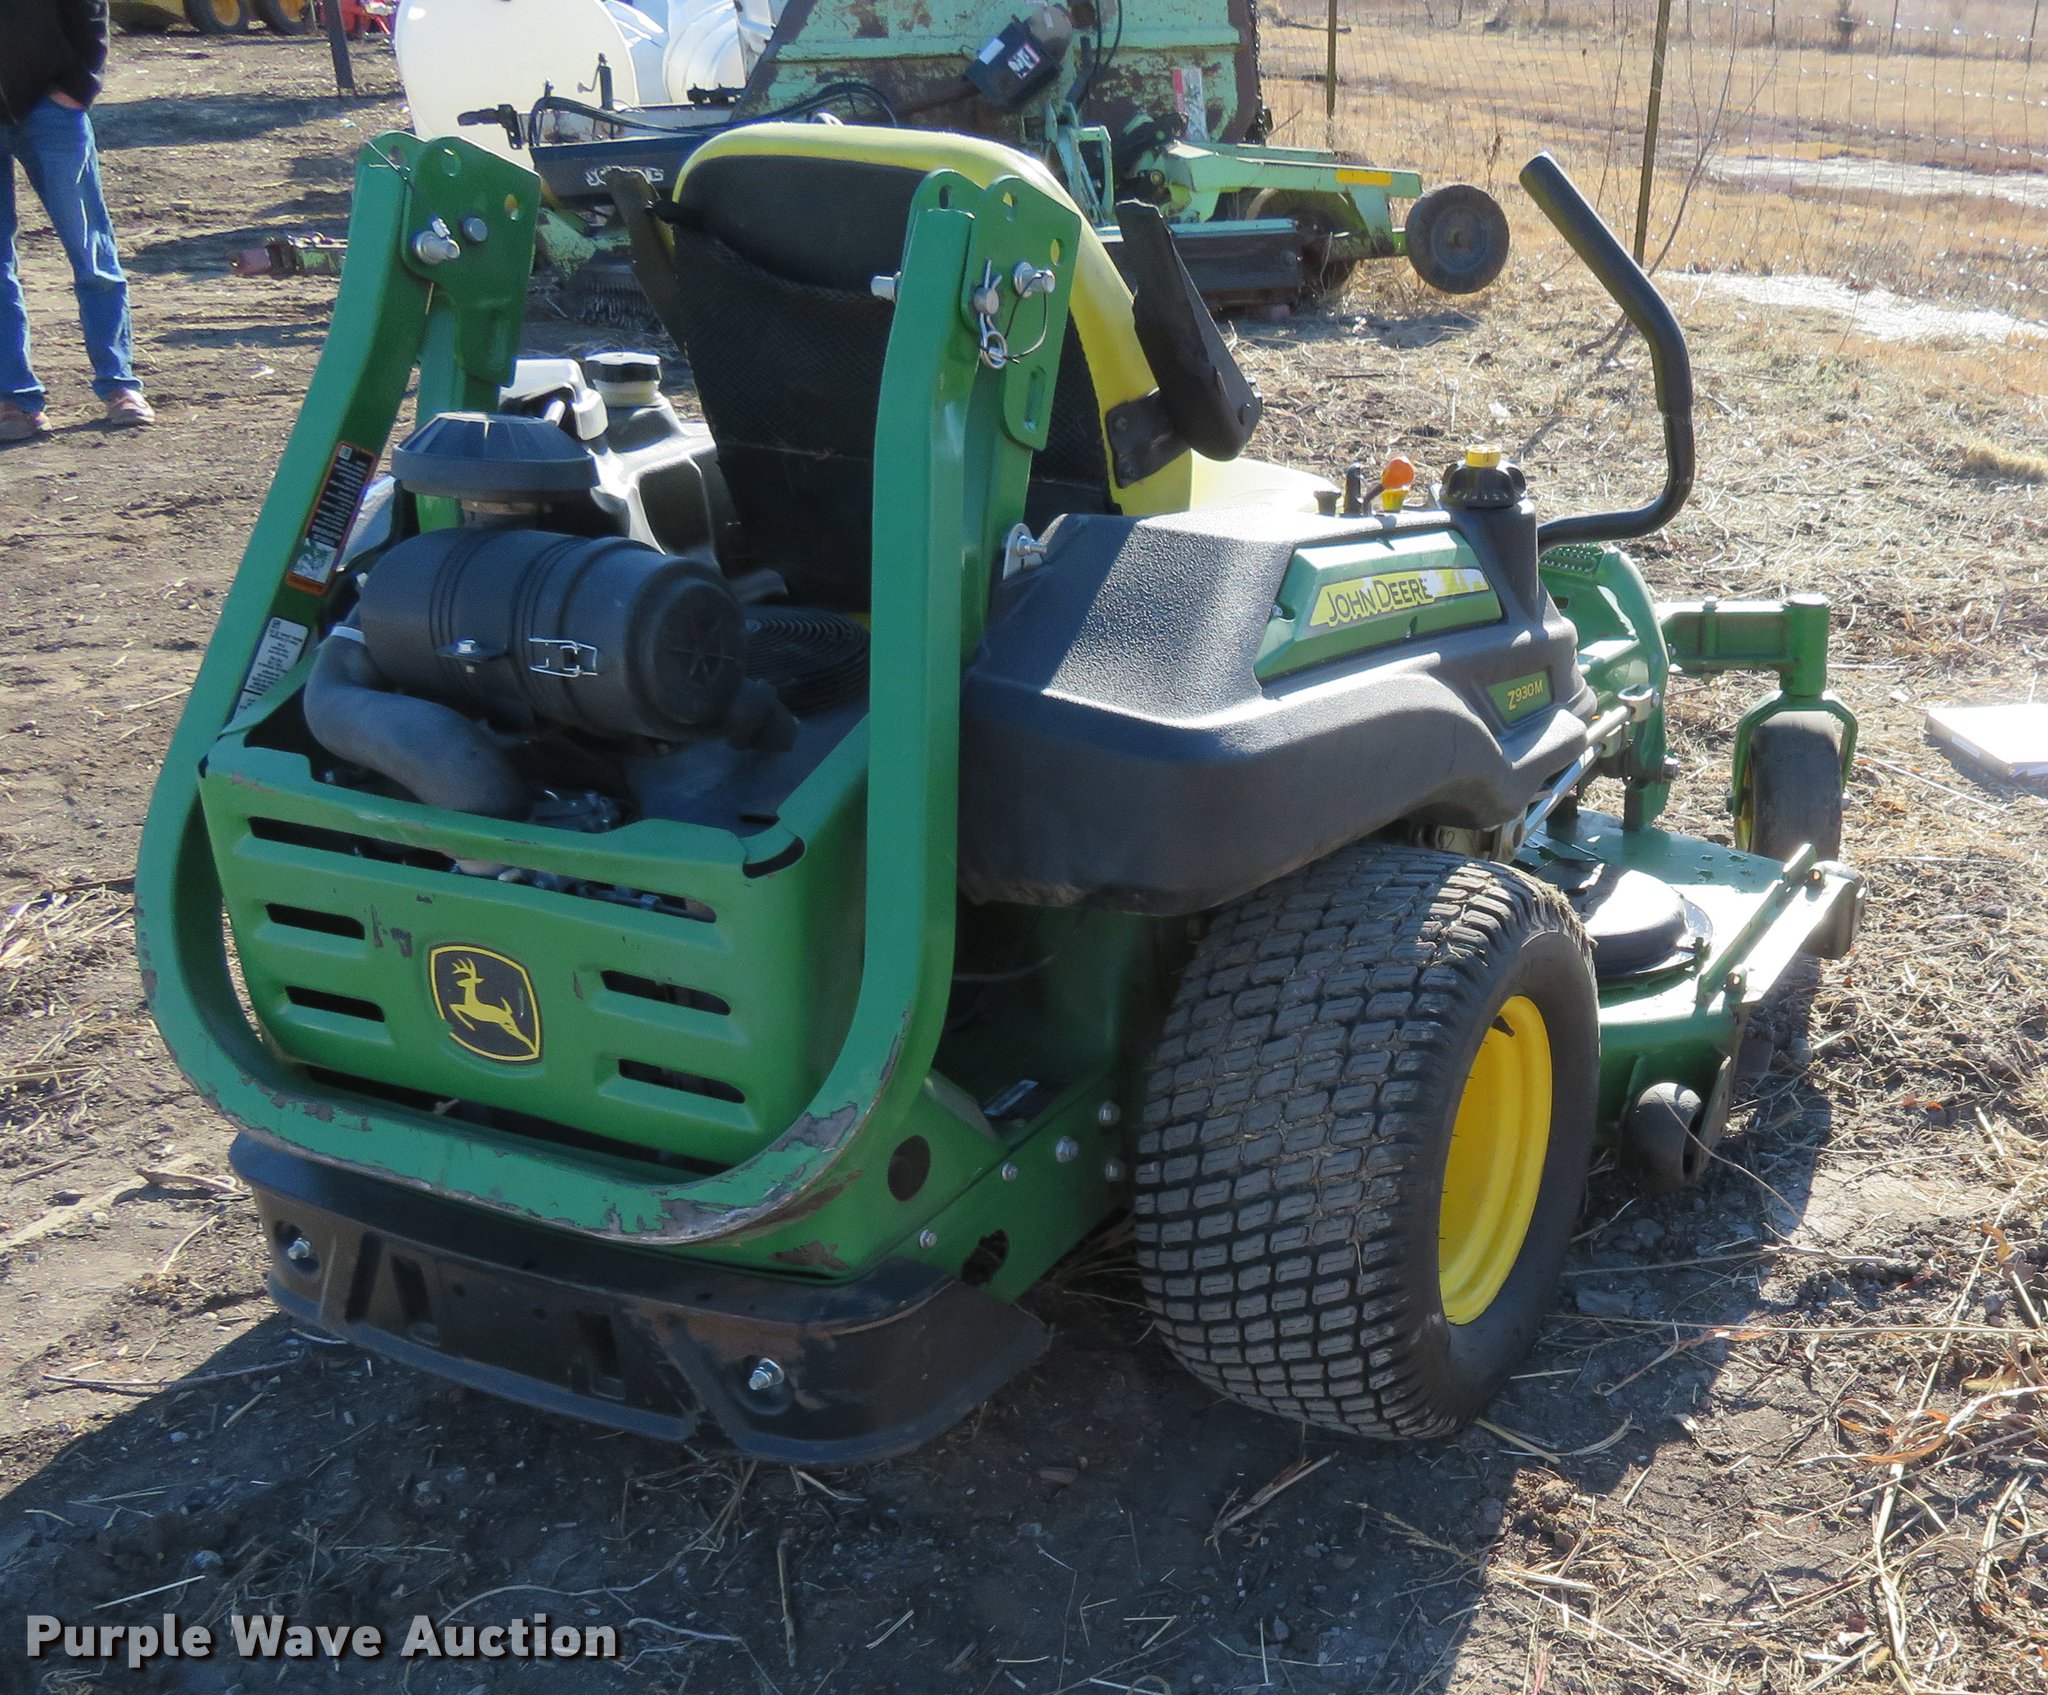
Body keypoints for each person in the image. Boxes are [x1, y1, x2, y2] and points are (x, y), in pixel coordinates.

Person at [0, 0, 153, 441]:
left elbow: (89, 9)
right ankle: (16, 400)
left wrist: (79, 86)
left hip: (52, 110)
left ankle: (120, 385)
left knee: (90, 251)